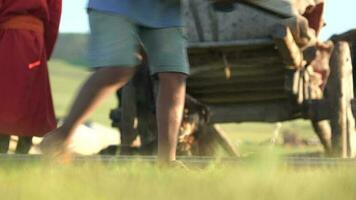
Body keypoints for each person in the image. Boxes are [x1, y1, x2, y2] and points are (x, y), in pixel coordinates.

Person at [40, 0, 189, 165]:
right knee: (118, 69)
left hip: (166, 12)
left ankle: (167, 161)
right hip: (115, 5)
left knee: (174, 74)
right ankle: (61, 138)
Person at [0, 0, 62, 154]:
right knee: (31, 103)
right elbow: (55, 12)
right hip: (36, 41)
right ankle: (23, 157)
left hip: (7, 38)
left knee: (5, 100)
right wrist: (46, 48)